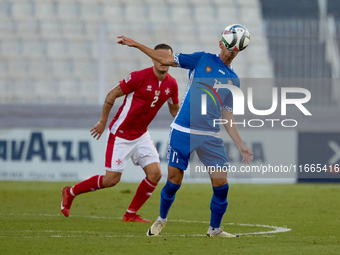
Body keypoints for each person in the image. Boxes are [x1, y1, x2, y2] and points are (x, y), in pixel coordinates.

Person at [117, 25, 254, 237]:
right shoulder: (201, 59)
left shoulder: (233, 79)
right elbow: (165, 60)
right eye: (229, 46)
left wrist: (240, 144)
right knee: (174, 181)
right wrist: (135, 44)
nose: (232, 51)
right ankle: (161, 219)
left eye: (236, 49)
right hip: (183, 129)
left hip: (209, 135)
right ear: (221, 44)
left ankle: (215, 229)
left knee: (221, 184)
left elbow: (227, 116)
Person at [60, 43, 180, 223]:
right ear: (152, 58)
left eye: (167, 58)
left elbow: (174, 110)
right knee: (111, 180)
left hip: (141, 135)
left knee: (155, 173)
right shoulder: (138, 77)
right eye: (159, 57)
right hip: (121, 134)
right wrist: (102, 121)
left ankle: (130, 214)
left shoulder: (171, 84)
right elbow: (111, 95)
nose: (163, 61)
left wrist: (187, 122)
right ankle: (70, 192)